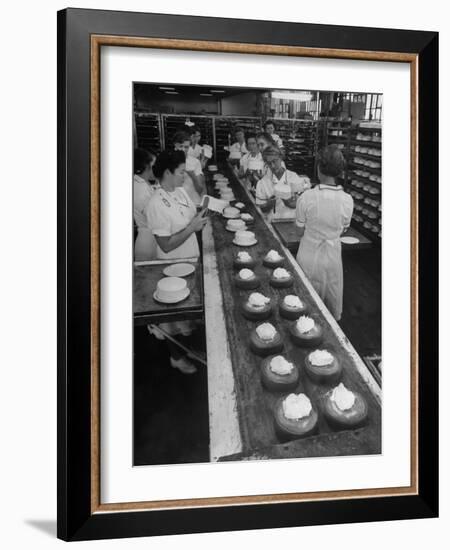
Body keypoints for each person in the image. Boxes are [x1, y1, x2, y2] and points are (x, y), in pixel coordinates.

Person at [146, 150, 208, 373]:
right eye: (181, 172)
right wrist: (192, 227)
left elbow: (189, 216)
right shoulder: (156, 204)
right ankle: (176, 358)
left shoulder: (181, 192)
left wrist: (203, 214)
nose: (185, 176)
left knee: (187, 314)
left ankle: (187, 350)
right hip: (172, 263)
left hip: (191, 257)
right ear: (167, 172)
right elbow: (165, 244)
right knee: (173, 316)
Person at [295, 145, 354, 321]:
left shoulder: (306, 197)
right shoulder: (347, 200)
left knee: (306, 301)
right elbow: (344, 229)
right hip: (332, 255)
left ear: (319, 168)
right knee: (331, 291)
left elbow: (299, 231)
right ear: (339, 171)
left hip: (309, 253)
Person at [255, 145, 310, 221]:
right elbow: (262, 209)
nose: (273, 166)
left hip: (292, 220)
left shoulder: (293, 177)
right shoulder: (262, 183)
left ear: (281, 158)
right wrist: (270, 203)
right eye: (269, 163)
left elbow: (302, 204)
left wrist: (289, 203)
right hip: (273, 222)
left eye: (275, 161)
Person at [133, 148, 158, 261]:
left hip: (151, 237)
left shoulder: (141, 182)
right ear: (146, 166)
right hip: (148, 242)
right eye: (154, 165)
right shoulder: (140, 190)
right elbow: (155, 216)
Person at [173, 130, 205, 206]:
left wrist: (192, 175)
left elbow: (200, 190)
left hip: (193, 202)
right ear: (175, 145)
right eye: (180, 146)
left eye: (186, 147)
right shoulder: (168, 161)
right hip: (176, 204)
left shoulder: (195, 162)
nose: (183, 149)